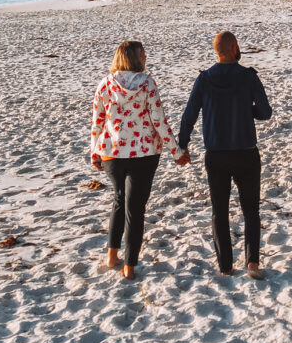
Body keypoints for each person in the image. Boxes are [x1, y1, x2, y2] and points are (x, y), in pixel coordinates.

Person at [90, 40, 188, 279]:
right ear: (136, 58)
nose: (145, 57)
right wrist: (177, 152)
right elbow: (159, 121)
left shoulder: (105, 84)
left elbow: (98, 122)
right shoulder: (147, 84)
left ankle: (112, 256)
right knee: (135, 208)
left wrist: (94, 151)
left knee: (119, 201)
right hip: (144, 153)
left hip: (112, 152)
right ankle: (129, 267)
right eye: (143, 54)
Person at [178, 31, 272, 279]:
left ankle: (226, 266)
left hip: (216, 154)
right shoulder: (248, 77)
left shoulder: (204, 79)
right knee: (250, 209)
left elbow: (189, 116)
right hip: (246, 152)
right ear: (233, 48)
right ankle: (252, 264)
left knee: (219, 210)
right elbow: (265, 112)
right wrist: (245, 110)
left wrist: (182, 145)